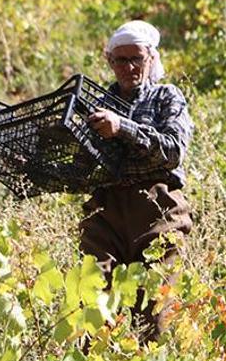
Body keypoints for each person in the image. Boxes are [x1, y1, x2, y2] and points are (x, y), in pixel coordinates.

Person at [83, 20, 195, 342]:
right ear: (109, 62)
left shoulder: (166, 97)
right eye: (121, 60)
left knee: (155, 313)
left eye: (137, 59)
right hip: (105, 215)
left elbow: (173, 151)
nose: (129, 66)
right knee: (91, 306)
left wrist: (123, 128)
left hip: (159, 212)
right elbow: (82, 164)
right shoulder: (98, 105)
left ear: (151, 59)